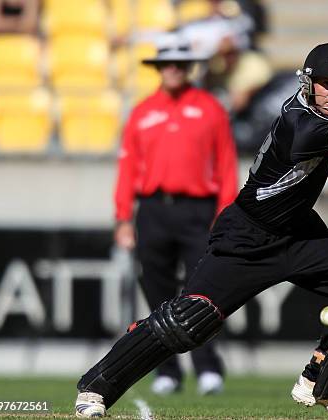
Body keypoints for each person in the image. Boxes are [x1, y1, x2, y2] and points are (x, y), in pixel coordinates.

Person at [74, 29, 328, 417]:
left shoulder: (319, 98)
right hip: (248, 237)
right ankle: (95, 388)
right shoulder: (305, 126)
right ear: (309, 84)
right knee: (188, 321)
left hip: (299, 233)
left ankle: (321, 382)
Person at [113, 35, 238, 396]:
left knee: (203, 294)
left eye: (180, 64)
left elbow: (227, 166)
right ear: (158, 68)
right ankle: (166, 370)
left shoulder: (211, 108)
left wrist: (224, 215)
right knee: (156, 292)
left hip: (198, 211)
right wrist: (123, 218)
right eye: (167, 64)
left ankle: (208, 367)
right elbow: (127, 168)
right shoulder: (142, 112)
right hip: (152, 210)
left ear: (189, 68)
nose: (173, 70)